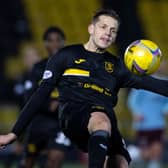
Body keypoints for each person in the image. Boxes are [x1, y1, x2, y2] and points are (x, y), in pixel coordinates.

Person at [0, 9, 168, 168]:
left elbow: (157, 85)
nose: (108, 32)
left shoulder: (118, 67)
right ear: (91, 28)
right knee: (101, 120)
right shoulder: (66, 56)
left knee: (120, 162)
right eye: (103, 27)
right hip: (73, 115)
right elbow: (39, 95)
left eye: (113, 30)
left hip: (105, 122)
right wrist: (14, 133)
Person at [18, 26, 72, 168]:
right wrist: (49, 104)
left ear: (63, 42)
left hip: (61, 124)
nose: (54, 44)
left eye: (58, 40)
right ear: (45, 44)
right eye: (50, 40)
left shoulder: (73, 69)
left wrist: (61, 103)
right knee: (27, 163)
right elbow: (29, 96)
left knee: (55, 159)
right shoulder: (38, 68)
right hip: (38, 123)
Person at [127, 66, 168, 168]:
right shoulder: (145, 81)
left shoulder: (166, 82)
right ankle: (132, 154)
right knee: (145, 152)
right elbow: (132, 100)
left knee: (158, 147)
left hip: (158, 122)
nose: (161, 68)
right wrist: (137, 112)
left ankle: (153, 165)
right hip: (144, 122)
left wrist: (165, 110)